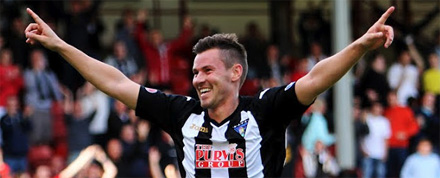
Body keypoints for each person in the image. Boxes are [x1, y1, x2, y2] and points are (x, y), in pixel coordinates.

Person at [24, 6, 395, 177]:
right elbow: (118, 83)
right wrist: (60, 46)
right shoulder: (181, 113)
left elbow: (317, 78)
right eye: (195, 71)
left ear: (236, 73)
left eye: (207, 70)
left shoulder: (264, 111)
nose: (198, 78)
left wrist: (360, 46)